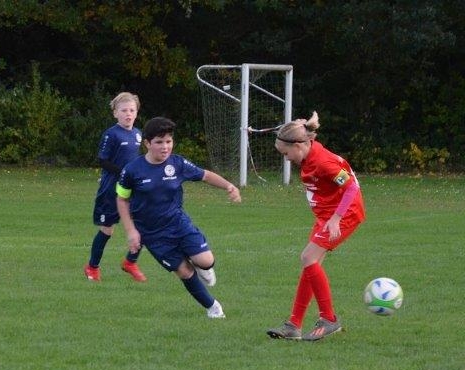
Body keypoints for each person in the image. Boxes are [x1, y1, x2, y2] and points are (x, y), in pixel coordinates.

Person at [116, 117, 241, 318]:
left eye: (168, 141)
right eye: (159, 142)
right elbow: (122, 199)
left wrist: (229, 186)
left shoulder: (178, 163)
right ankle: (213, 308)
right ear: (147, 143)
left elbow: (205, 175)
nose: (165, 147)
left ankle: (203, 266)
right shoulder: (132, 170)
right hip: (152, 234)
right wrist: (131, 230)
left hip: (178, 223)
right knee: (184, 271)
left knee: (206, 261)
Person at [266, 111, 365, 341]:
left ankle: (329, 319)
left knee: (308, 258)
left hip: (344, 214)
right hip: (327, 215)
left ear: (298, 146)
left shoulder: (322, 163)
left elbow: (351, 187)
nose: (286, 158)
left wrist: (336, 218)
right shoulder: (307, 152)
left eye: (285, 153)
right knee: (310, 264)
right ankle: (294, 325)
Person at [83, 92, 147, 282]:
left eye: (132, 110)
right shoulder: (111, 134)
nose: (128, 114)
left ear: (136, 113)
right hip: (111, 189)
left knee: (143, 224)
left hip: (132, 189)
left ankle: (130, 262)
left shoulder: (138, 134)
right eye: (124, 110)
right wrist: (123, 173)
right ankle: (92, 267)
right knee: (107, 229)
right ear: (115, 113)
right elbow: (102, 160)